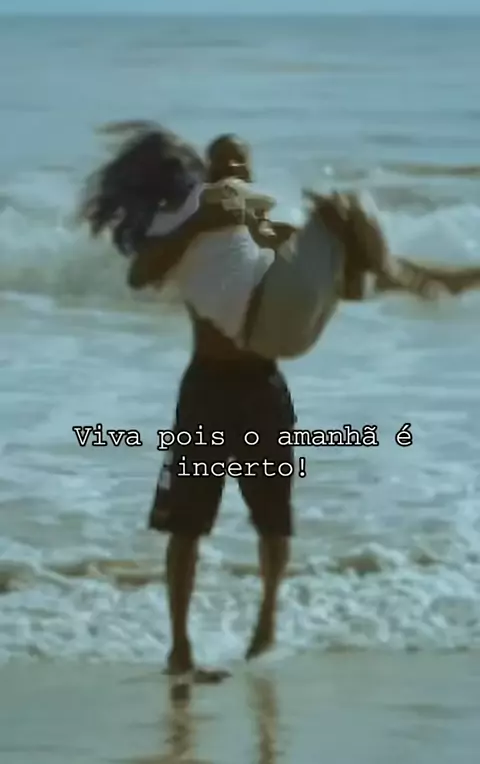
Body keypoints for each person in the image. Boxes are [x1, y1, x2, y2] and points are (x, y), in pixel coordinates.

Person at [79, 123, 480, 680]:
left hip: (262, 385)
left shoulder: (265, 234)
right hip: (206, 388)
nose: (233, 172)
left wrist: (425, 273)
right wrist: (201, 223)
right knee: (186, 525)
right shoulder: (189, 226)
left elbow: (342, 275)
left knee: (273, 518)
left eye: (241, 164)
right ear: (206, 173)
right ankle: (180, 648)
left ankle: (266, 623)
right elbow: (140, 273)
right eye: (223, 163)